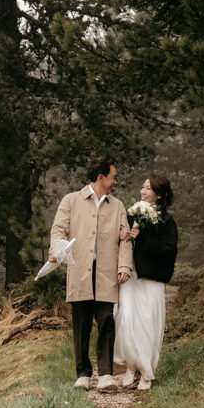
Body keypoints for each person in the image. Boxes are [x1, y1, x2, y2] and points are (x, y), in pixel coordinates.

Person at [50, 156, 133, 390]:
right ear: (101, 177)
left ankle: (106, 375)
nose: (115, 181)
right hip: (80, 270)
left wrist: (124, 267)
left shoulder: (117, 206)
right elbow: (58, 230)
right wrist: (56, 250)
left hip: (106, 271)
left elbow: (125, 239)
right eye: (113, 177)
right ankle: (83, 374)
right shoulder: (71, 200)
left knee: (106, 319)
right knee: (82, 321)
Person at [114, 175, 178, 391]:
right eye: (142, 187)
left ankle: (146, 372)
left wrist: (142, 235)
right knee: (127, 319)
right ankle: (131, 367)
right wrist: (124, 235)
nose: (143, 191)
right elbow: (123, 242)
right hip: (131, 277)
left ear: (159, 194)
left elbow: (167, 251)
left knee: (148, 324)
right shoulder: (133, 215)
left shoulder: (167, 222)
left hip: (152, 278)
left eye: (148, 188)